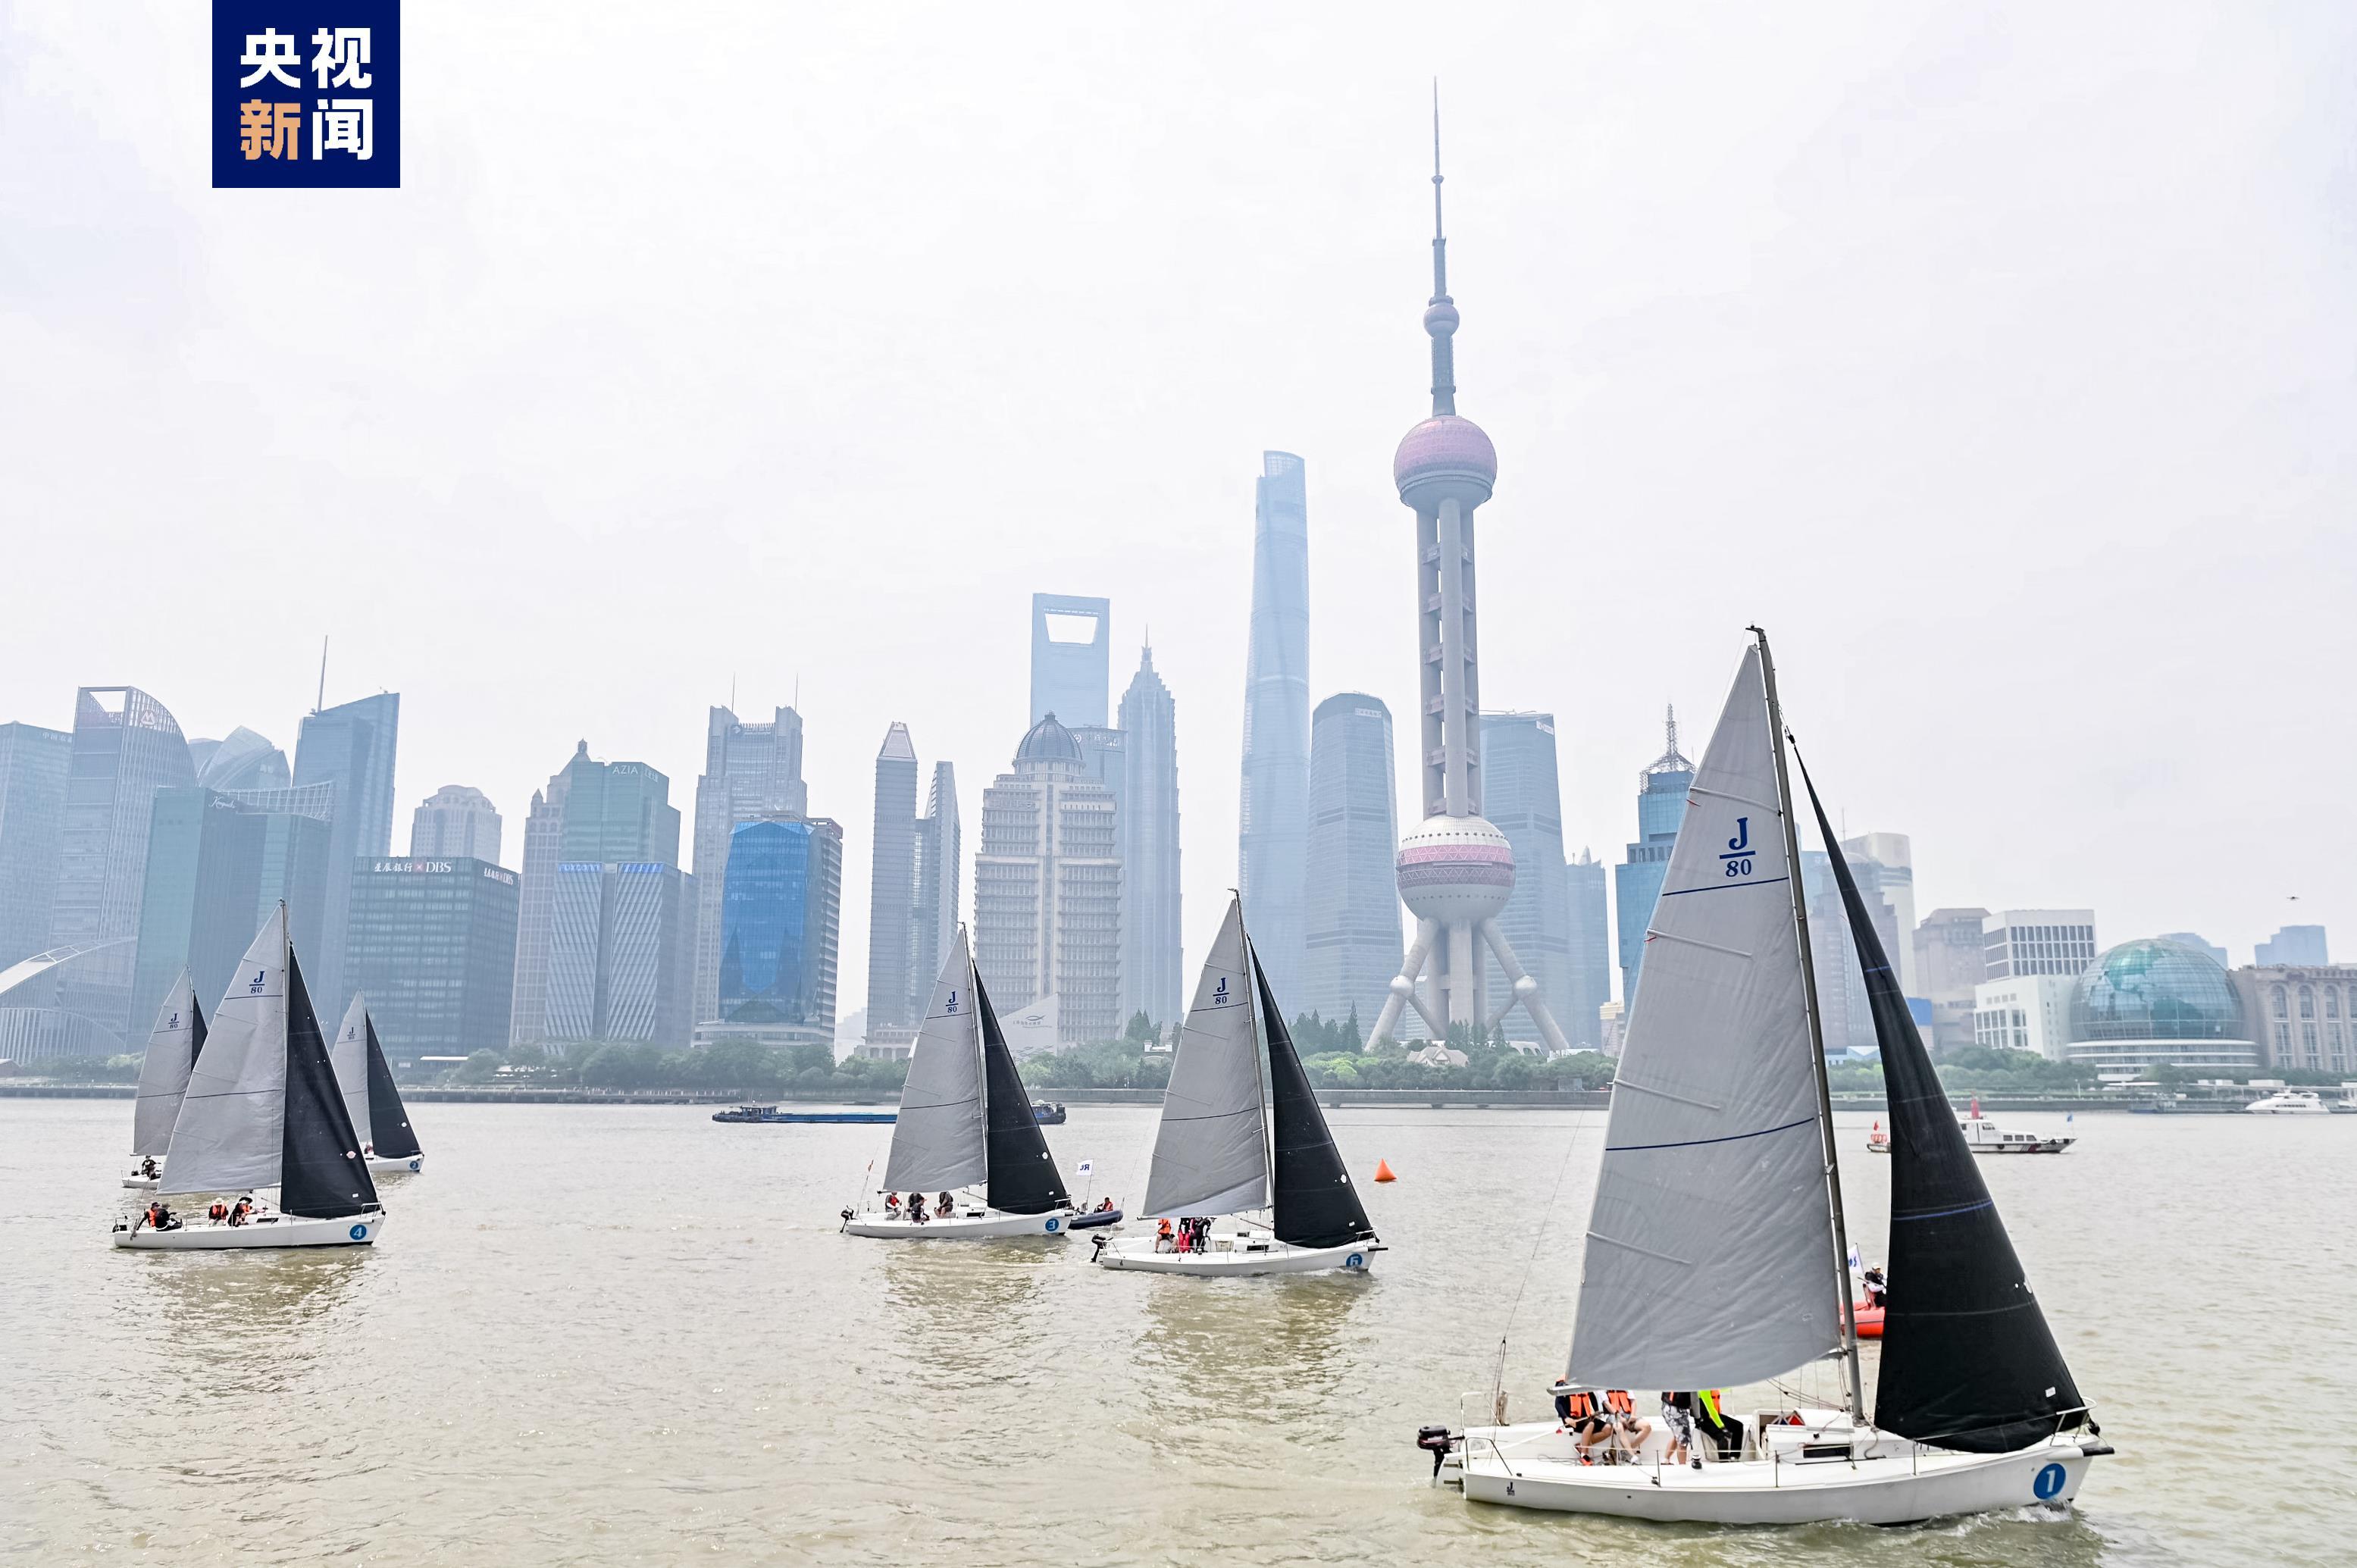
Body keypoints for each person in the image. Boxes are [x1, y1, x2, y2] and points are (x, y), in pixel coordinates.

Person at [1661, 1391, 1699, 1469]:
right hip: (1677, 1409)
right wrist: (1697, 1416)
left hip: (1666, 1406)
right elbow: (1694, 1398)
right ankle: (1683, 1468)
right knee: (1683, 1441)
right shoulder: (1691, 1383)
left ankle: (1666, 1460)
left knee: (1678, 1434)